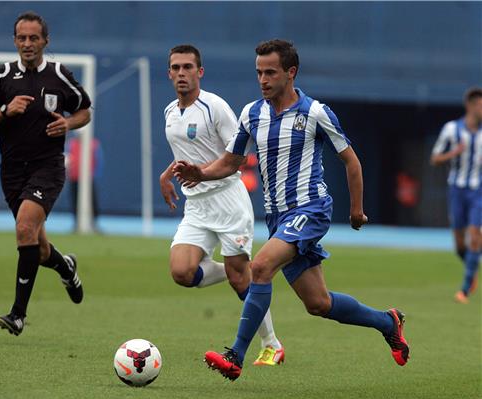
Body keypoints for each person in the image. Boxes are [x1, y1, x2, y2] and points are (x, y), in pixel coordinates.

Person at [173, 39, 410, 380]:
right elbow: (231, 161)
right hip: (278, 218)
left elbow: (351, 161)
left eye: (270, 72)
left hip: (310, 209)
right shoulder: (252, 113)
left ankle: (236, 355)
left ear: (290, 72)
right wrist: (201, 172)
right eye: (258, 73)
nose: (263, 80)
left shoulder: (315, 112)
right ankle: (388, 322)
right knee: (319, 304)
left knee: (261, 265)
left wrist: (356, 210)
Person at [160, 44, 285, 366]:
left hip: (228, 202)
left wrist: (201, 174)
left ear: (199, 72)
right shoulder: (170, 111)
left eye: (188, 67)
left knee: (241, 279)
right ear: (169, 73)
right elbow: (184, 154)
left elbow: (238, 156)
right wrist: (167, 175)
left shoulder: (214, 107)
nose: (181, 73)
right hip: (196, 207)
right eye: (176, 68)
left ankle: (272, 344)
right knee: (181, 272)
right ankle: (235, 270)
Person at [0, 11, 91, 336]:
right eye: (22, 38)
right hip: (11, 172)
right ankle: (66, 267)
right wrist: (4, 110)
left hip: (48, 167)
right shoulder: (1, 77)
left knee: (25, 226)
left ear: (45, 41)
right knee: (37, 248)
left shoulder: (59, 75)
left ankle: (18, 314)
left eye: (34, 38)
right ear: (14, 41)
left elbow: (84, 109)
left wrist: (68, 122)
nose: (28, 44)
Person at [430, 87, 482, 304]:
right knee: (460, 244)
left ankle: (464, 289)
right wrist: (454, 153)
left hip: (478, 190)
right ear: (470, 106)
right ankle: (472, 265)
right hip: (457, 190)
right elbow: (435, 159)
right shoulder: (452, 129)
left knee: (475, 235)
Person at [67, 134, 103, 232]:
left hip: (88, 179)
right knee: (75, 201)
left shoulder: (93, 144)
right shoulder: (71, 143)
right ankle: (76, 223)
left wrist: (94, 175)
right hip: (74, 178)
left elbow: (98, 160)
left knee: (92, 201)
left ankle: (94, 223)